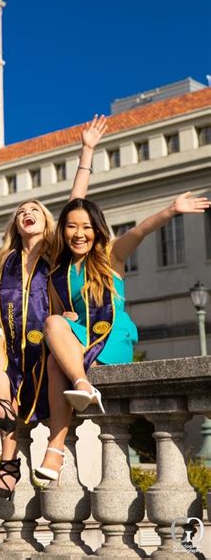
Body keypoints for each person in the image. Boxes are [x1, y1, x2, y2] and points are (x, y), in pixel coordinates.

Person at [0, 115, 107, 499]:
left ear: (45, 220)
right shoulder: (4, 264)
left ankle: (10, 464)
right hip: (12, 346)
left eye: (34, 208)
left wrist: (86, 150)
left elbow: (75, 204)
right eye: (21, 211)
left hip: (46, 343)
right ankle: (2, 409)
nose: (27, 212)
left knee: (33, 373)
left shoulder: (55, 251)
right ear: (16, 224)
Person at [34, 191, 210, 482]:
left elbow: (139, 231)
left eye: (87, 227)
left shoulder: (110, 256)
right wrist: (65, 317)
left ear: (97, 229)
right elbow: (57, 316)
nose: (80, 234)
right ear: (62, 230)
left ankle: (70, 411)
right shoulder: (58, 274)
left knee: (56, 355)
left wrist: (171, 209)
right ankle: (58, 444)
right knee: (53, 346)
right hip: (81, 338)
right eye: (72, 226)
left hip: (111, 337)